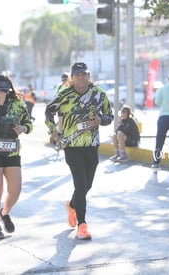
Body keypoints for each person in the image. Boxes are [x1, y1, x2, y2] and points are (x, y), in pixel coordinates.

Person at [45, 62, 113, 240]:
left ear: (89, 76)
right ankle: (82, 225)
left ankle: (72, 205)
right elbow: (48, 111)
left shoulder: (98, 94)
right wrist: (53, 130)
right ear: (72, 78)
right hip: (71, 146)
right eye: (78, 75)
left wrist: (101, 120)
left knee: (87, 185)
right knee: (81, 185)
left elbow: (109, 116)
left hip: (92, 145)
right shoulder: (64, 95)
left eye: (85, 74)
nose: (82, 77)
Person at [0, 74, 33, 239]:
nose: (4, 93)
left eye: (6, 90)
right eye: (0, 90)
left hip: (12, 151)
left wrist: (23, 129)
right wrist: (0, 105)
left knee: (15, 191)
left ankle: (4, 212)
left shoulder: (18, 104)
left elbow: (29, 123)